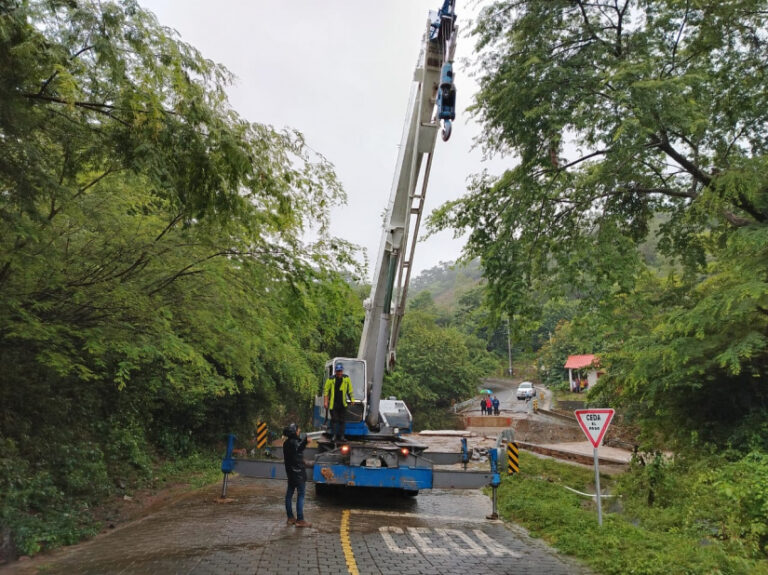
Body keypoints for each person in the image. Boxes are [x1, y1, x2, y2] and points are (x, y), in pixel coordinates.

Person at [282, 423, 311, 527]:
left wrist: (304, 442)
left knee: (289, 495)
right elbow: (299, 448)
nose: (299, 431)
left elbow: (297, 451)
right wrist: (306, 442)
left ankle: (290, 518)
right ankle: (300, 519)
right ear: (295, 431)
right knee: (301, 495)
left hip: (290, 473)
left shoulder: (286, 443)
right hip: (298, 474)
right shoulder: (296, 443)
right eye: (298, 430)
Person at [324, 362, 354, 442]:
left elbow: (349, 390)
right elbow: (326, 391)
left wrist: (352, 399)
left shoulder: (346, 378)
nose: (339, 373)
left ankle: (341, 436)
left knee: (342, 420)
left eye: (340, 371)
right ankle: (333, 436)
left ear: (342, 371)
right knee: (334, 420)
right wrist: (326, 402)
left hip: (342, 403)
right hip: (334, 404)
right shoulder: (330, 379)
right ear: (335, 372)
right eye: (338, 371)